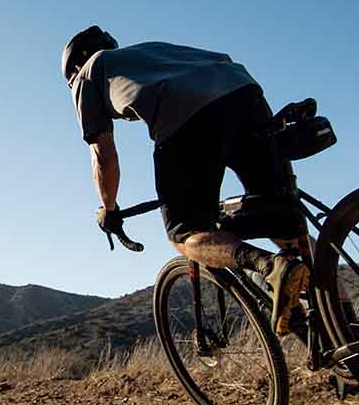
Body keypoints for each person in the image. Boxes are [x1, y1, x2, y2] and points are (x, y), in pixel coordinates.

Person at [61, 26, 309, 336]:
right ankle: (345, 329)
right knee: (281, 215)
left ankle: (271, 268)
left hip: (190, 115)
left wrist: (109, 208)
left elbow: (103, 156)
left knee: (184, 232)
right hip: (245, 92)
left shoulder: (86, 74)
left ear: (72, 69)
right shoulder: (152, 51)